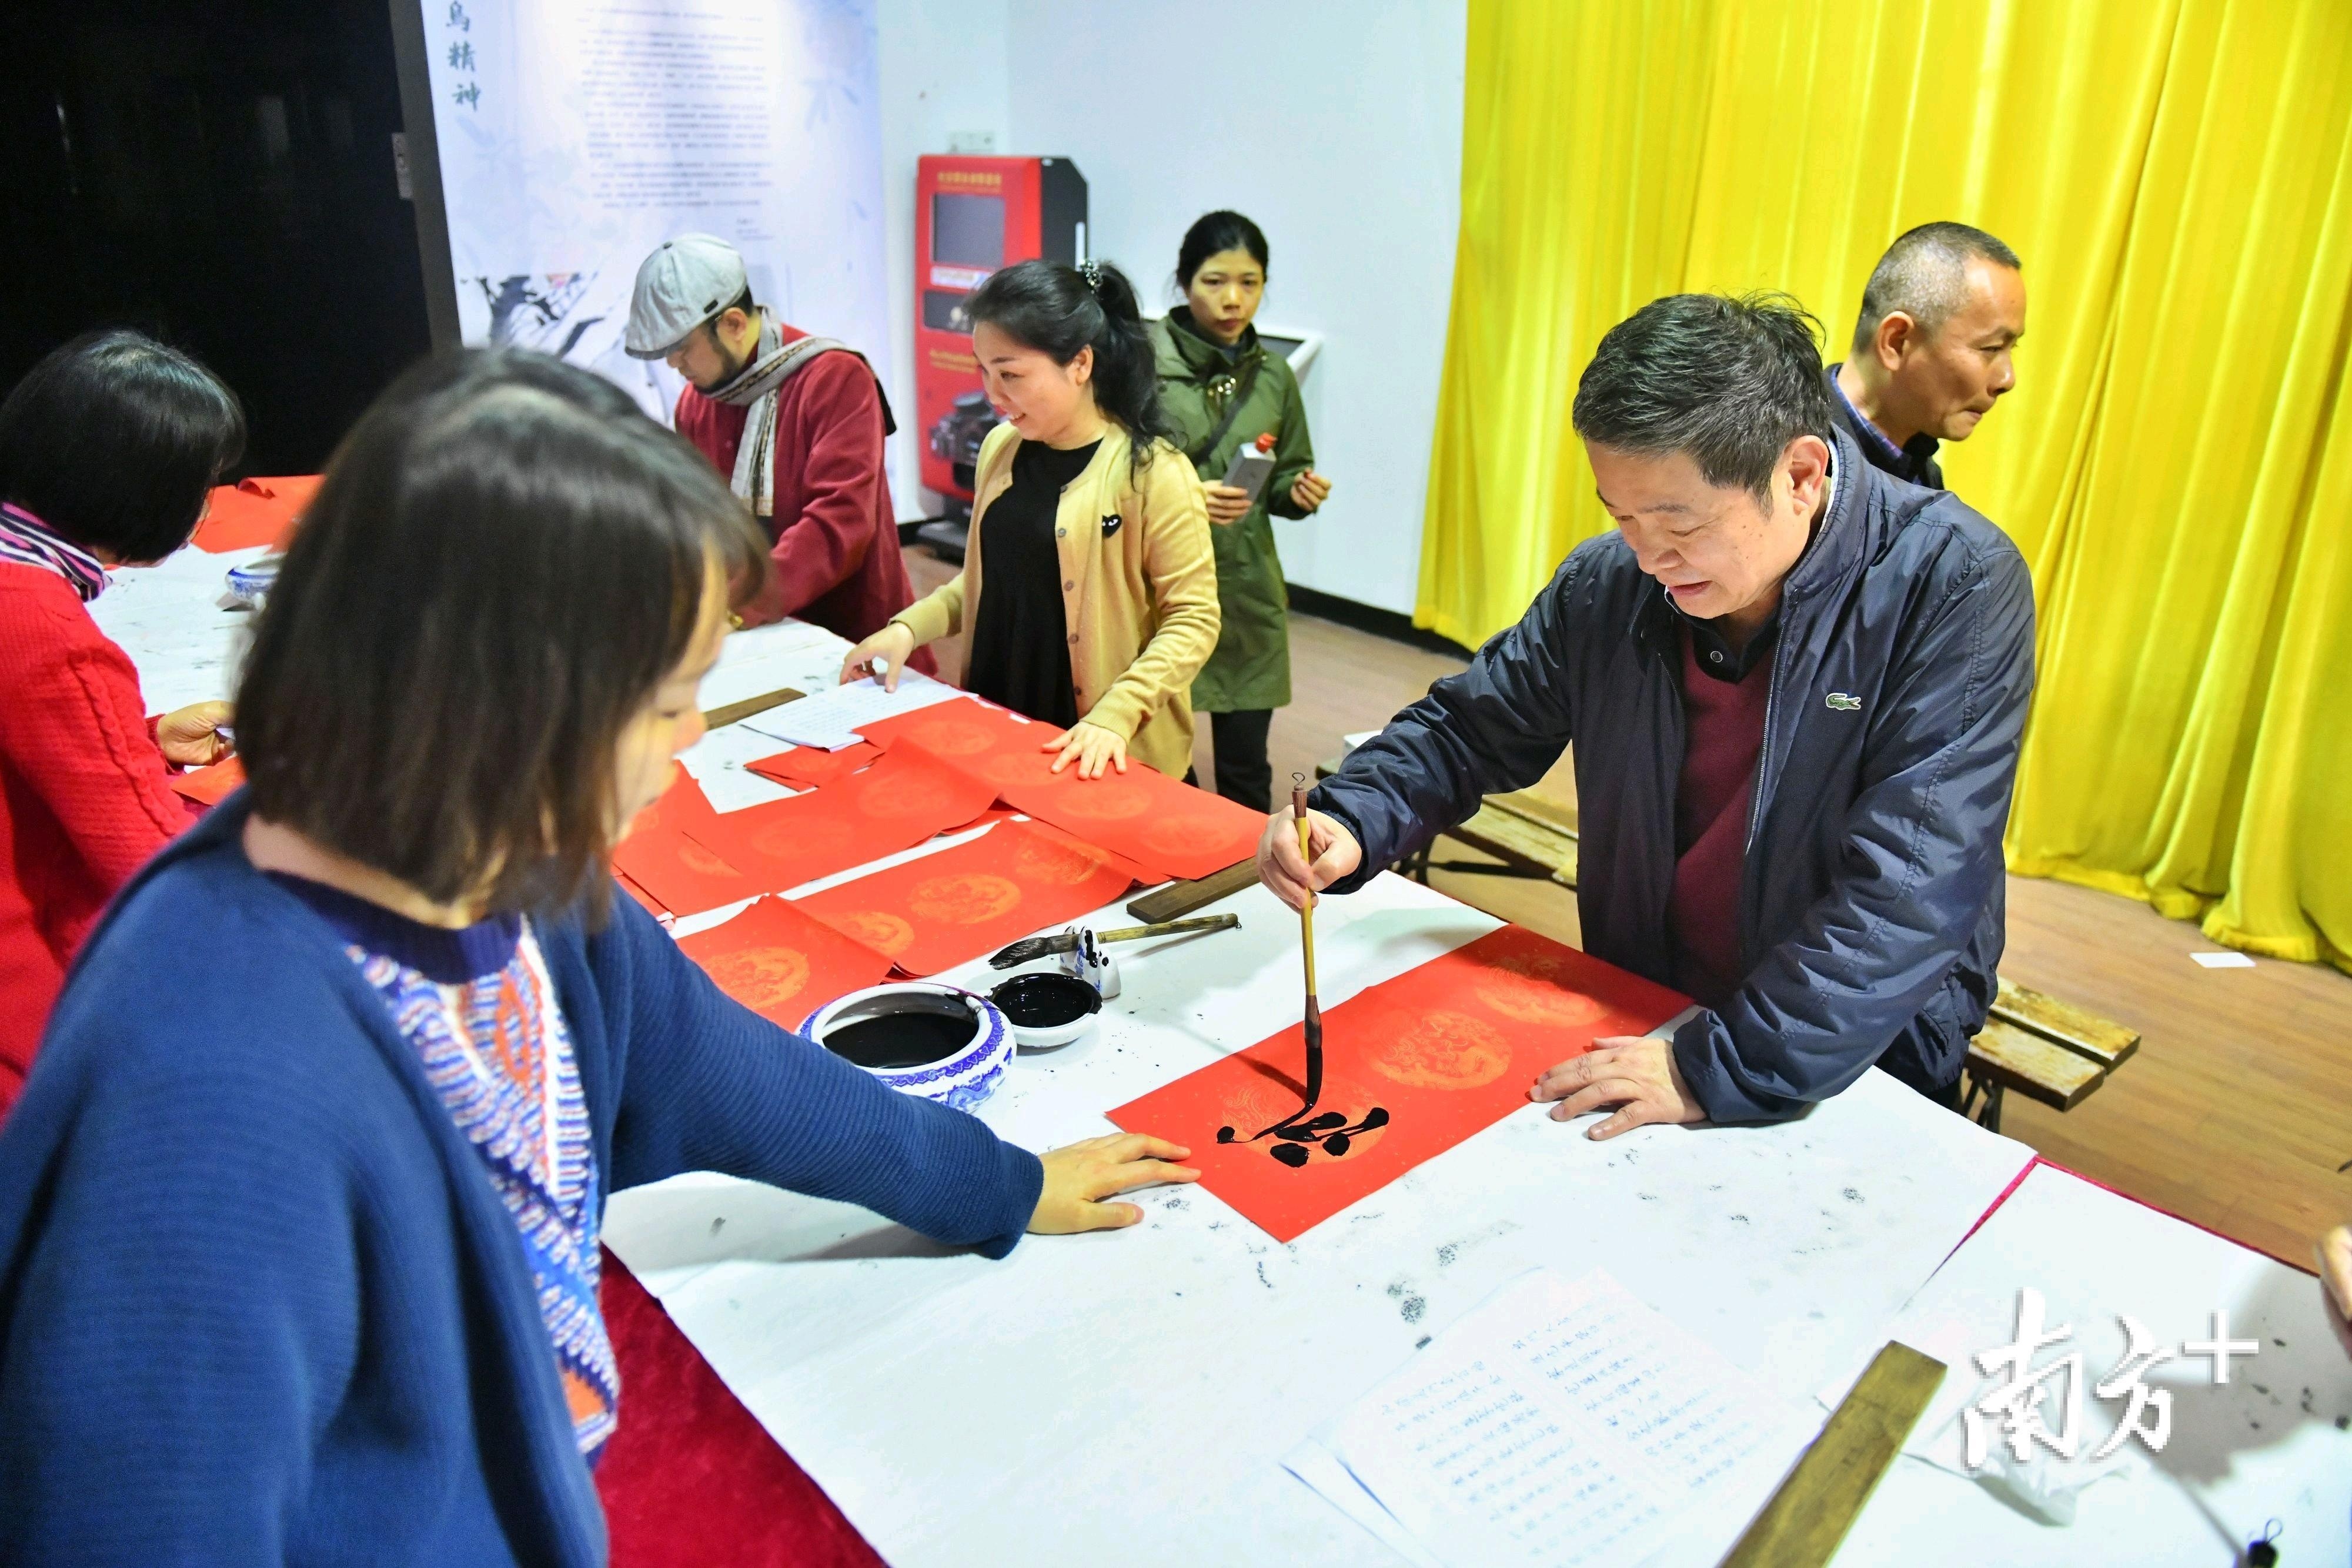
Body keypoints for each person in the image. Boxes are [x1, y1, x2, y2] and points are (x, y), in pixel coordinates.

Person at [0, 350, 1196, 1561]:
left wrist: (994, 1183)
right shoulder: (209, 1080)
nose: (683, 746)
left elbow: (732, 1072)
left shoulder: (514, 875)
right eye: (667, 698)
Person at [1260, 293, 2036, 1133]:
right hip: (1652, 1012)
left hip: (1839, 1055)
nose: (1647, 555)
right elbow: (1470, 727)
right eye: (1620, 515)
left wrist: (1724, 1063)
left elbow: (1911, 884)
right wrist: (1354, 814)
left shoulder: (1951, 583)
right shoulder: (1611, 582)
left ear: (1801, 476)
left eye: (1678, 523)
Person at [842, 260, 1217, 783]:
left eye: (1011, 374)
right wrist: (908, 628)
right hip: (1007, 727)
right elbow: (990, 578)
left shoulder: (1153, 472)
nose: (993, 395)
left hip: (1100, 749)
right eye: (984, 371)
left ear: (1080, 364)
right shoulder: (1001, 448)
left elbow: (1194, 621)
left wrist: (1116, 714)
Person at [0, 330, 244, 1116]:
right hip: (38, 1031)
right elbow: (149, 860)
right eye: (201, 487)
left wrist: (140, 739)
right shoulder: (45, 627)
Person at [625, 233, 933, 670]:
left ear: (732, 324)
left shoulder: (834, 379)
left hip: (858, 641)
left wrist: (736, 602)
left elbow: (839, 524)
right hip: (756, 639)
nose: (675, 365)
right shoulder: (696, 404)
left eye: (681, 348)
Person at [1150, 212, 1331, 810]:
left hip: (1247, 590)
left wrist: (1295, 493)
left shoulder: (1274, 376)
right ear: (1183, 282)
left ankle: (1250, 882)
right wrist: (1182, 495)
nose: (1233, 300)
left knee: (1248, 767)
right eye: (1214, 281)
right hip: (1163, 585)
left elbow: (1284, 473)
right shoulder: (1143, 366)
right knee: (1164, 761)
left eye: (1249, 283)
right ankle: (1178, 874)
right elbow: (1114, 471)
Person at [1828, 222, 2026, 489]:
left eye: (2010, 348)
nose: (2007, 379)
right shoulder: (1782, 462)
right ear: (1896, 342)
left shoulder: (1920, 476)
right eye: (1991, 348)